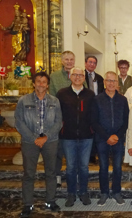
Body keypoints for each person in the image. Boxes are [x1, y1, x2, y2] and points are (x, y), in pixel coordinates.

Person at [15, 72, 62, 218]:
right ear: (34, 84)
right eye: (38, 81)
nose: (41, 84)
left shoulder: (55, 101)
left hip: (50, 140)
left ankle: (50, 201)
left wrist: (45, 137)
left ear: (47, 85)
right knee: (29, 174)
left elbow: (58, 122)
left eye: (44, 82)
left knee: (51, 172)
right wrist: (34, 138)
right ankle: (28, 204)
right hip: (30, 142)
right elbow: (19, 122)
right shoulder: (23, 100)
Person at [56, 67, 95, 207]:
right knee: (71, 167)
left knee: (84, 167)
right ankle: (71, 194)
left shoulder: (90, 94)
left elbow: (94, 115)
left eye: (80, 75)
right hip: (68, 136)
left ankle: (83, 192)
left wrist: (92, 130)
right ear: (70, 76)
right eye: (75, 75)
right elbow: (57, 114)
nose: (78, 77)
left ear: (84, 78)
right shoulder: (62, 94)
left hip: (86, 136)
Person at [91, 71, 129, 206]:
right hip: (102, 139)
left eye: (114, 81)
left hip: (118, 139)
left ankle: (117, 192)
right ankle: (104, 193)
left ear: (117, 83)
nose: (111, 83)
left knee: (118, 167)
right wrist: (107, 136)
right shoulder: (97, 99)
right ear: (105, 82)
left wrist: (117, 136)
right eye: (109, 80)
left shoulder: (123, 100)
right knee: (103, 167)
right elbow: (94, 121)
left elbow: (126, 121)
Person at [49, 50, 79, 189]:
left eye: (71, 59)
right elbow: (52, 98)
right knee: (58, 149)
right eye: (66, 59)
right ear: (62, 61)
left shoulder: (78, 75)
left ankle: (75, 175)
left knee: (75, 149)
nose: (69, 62)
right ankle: (57, 176)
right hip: (60, 118)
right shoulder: (54, 77)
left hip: (76, 119)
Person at [85, 55, 104, 164]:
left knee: (96, 130)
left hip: (97, 106)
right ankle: (88, 154)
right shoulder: (80, 75)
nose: (92, 64)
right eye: (90, 62)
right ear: (85, 63)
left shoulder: (99, 78)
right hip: (85, 106)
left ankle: (94, 154)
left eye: (94, 63)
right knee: (87, 130)